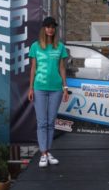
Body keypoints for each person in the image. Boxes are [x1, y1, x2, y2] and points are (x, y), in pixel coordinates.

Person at [28, 16, 69, 167]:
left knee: (51, 122)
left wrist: (65, 88)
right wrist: (30, 88)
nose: (50, 29)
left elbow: (62, 68)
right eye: (48, 26)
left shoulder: (60, 47)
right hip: (39, 87)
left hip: (56, 89)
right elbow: (33, 68)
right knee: (42, 122)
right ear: (43, 29)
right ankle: (43, 153)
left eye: (52, 27)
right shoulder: (35, 46)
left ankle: (47, 151)